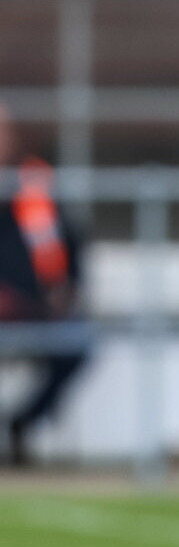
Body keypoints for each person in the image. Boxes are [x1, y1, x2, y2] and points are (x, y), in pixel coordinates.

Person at [0, 104, 89, 466]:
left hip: (36, 309)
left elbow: (69, 240)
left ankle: (23, 422)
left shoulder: (33, 180)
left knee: (77, 344)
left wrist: (68, 288)